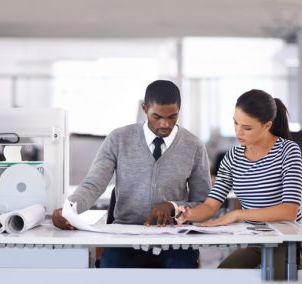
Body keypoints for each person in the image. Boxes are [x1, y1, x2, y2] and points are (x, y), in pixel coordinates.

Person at [52, 79, 211, 268]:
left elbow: (204, 202)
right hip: (124, 237)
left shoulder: (194, 146)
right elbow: (93, 184)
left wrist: (174, 206)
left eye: (172, 117)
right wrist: (69, 209)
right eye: (157, 116)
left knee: (183, 271)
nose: (165, 124)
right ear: (144, 108)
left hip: (174, 239)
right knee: (111, 268)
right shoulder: (118, 139)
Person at [176, 89, 302, 279]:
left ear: (267, 126)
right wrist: (190, 214)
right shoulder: (233, 157)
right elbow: (210, 205)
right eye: (235, 123)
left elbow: (289, 210)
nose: (238, 132)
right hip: (257, 245)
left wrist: (238, 214)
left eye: (247, 128)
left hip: (290, 245)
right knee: (221, 278)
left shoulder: (288, 151)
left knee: (272, 278)